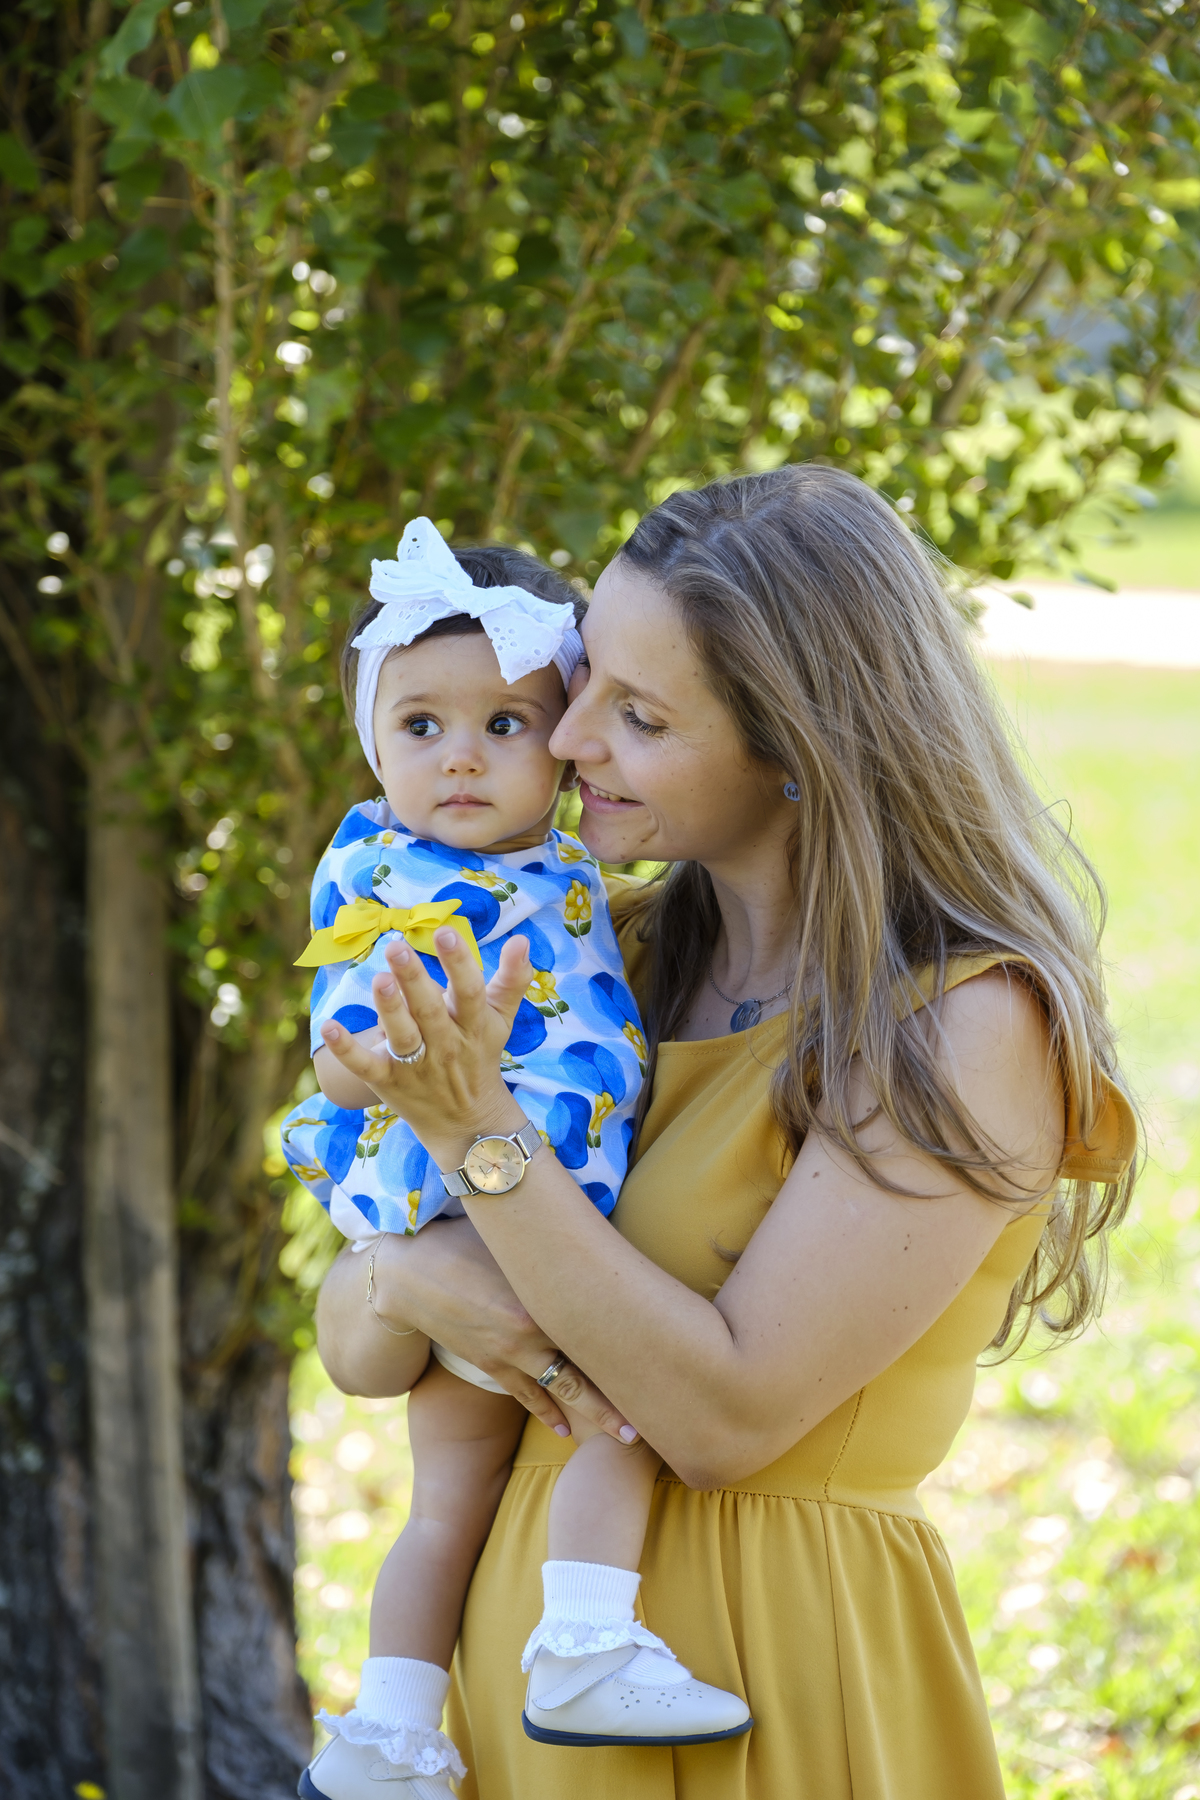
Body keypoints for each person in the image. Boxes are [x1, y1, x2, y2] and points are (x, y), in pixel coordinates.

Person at [314, 465, 1139, 1800]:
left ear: (799, 751)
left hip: (768, 1683)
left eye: (637, 716)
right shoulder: (605, 967)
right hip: (510, 1693)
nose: (568, 738)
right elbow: (355, 1350)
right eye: (584, 682)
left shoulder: (960, 1030)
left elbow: (722, 1414)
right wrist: (402, 1273)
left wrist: (479, 1139)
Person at [286, 521, 750, 1800]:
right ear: (370, 734)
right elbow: (336, 1051)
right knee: (597, 1415)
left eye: (505, 724)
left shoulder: (574, 866)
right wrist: (419, 1070)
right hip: (470, 1207)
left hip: (525, 1191)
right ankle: (552, 1654)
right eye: (421, 725)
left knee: (490, 1475)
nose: (461, 760)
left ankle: (408, 1724)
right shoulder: (388, 869)